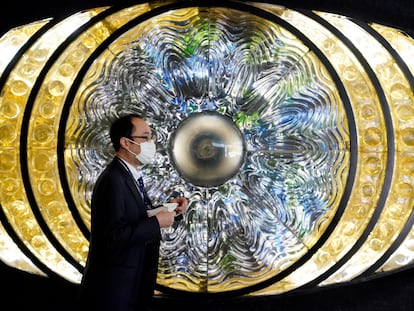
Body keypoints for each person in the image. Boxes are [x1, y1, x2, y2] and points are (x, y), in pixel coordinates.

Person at [78, 114, 188, 311]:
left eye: (152, 137)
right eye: (145, 137)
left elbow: (135, 216)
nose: (151, 142)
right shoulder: (113, 180)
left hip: (130, 286)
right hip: (112, 292)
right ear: (125, 143)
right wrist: (156, 223)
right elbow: (112, 238)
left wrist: (169, 210)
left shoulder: (129, 175)